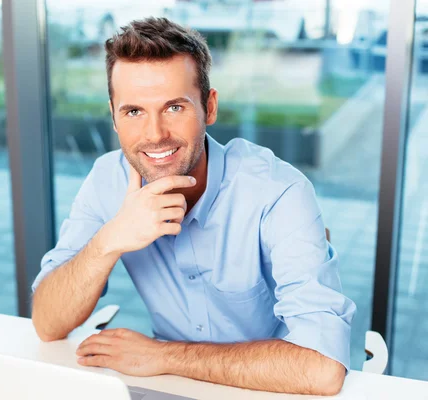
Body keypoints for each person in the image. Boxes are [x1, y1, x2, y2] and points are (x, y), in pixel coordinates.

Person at [31, 17, 356, 396]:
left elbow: (322, 369)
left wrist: (165, 356)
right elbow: (47, 323)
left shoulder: (277, 191)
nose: (155, 135)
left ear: (210, 106)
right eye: (134, 111)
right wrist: (109, 241)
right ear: (115, 118)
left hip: (276, 388)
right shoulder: (107, 180)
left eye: (174, 107)